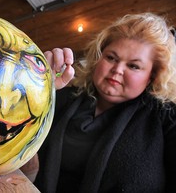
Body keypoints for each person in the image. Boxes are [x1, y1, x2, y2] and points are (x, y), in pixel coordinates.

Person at [33, 12, 176, 193]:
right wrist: (39, 87)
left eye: (133, 66)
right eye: (111, 58)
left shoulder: (166, 118)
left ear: (151, 77)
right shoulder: (64, 97)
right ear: (98, 58)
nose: (117, 70)